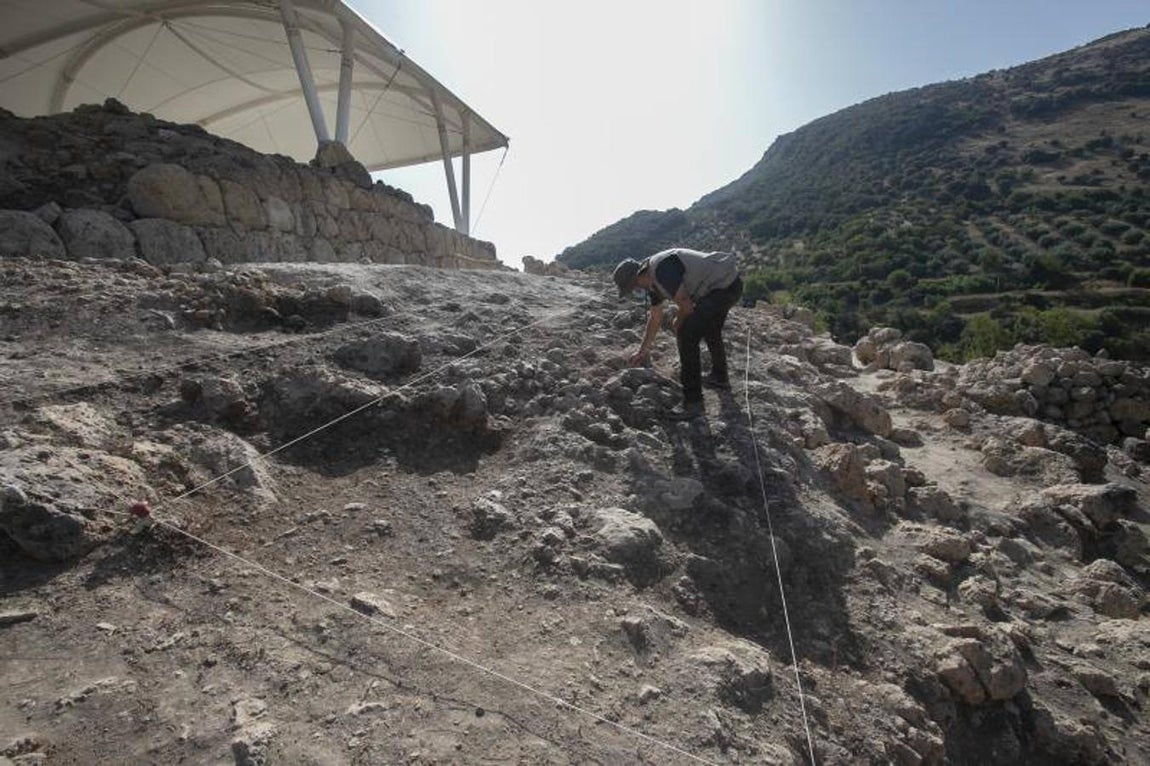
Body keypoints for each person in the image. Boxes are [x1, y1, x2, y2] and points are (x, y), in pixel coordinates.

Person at [613, 248, 743, 420]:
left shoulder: (662, 269)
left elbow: (686, 306)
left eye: (634, 285)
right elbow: (655, 317)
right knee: (711, 329)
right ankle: (720, 377)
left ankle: (693, 402)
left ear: (639, 275)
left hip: (724, 287)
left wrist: (678, 322)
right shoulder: (652, 279)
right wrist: (642, 350)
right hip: (727, 286)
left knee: (687, 333)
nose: (636, 289)